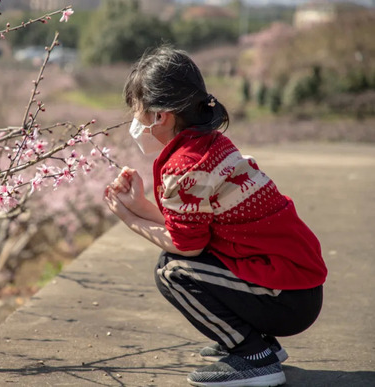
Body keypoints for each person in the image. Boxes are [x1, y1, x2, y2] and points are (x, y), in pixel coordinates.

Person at [103, 45, 327, 387]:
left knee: (172, 270)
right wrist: (140, 204)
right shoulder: (211, 145)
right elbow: (192, 229)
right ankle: (257, 343)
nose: (135, 123)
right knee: (181, 259)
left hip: (285, 296)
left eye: (137, 113)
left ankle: (254, 356)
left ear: (160, 116)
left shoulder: (185, 167)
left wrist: (129, 218)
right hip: (295, 288)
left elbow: (186, 247)